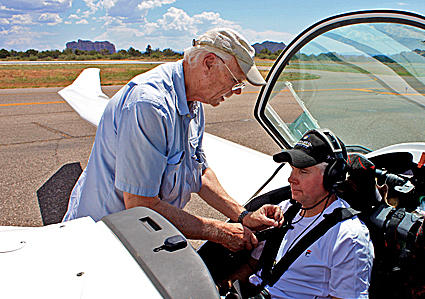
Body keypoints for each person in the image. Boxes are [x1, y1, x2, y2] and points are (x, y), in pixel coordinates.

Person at [63, 28, 282, 252]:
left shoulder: (193, 102)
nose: (236, 91)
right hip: (103, 240)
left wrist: (243, 215)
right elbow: (140, 205)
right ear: (209, 63)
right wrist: (219, 232)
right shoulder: (150, 105)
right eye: (236, 80)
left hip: (142, 234)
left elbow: (200, 173)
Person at [224, 129, 374, 299]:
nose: (291, 178)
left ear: (331, 176)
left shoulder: (349, 237)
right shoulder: (287, 209)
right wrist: (221, 287)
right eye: (292, 169)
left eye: (303, 171)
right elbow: (255, 266)